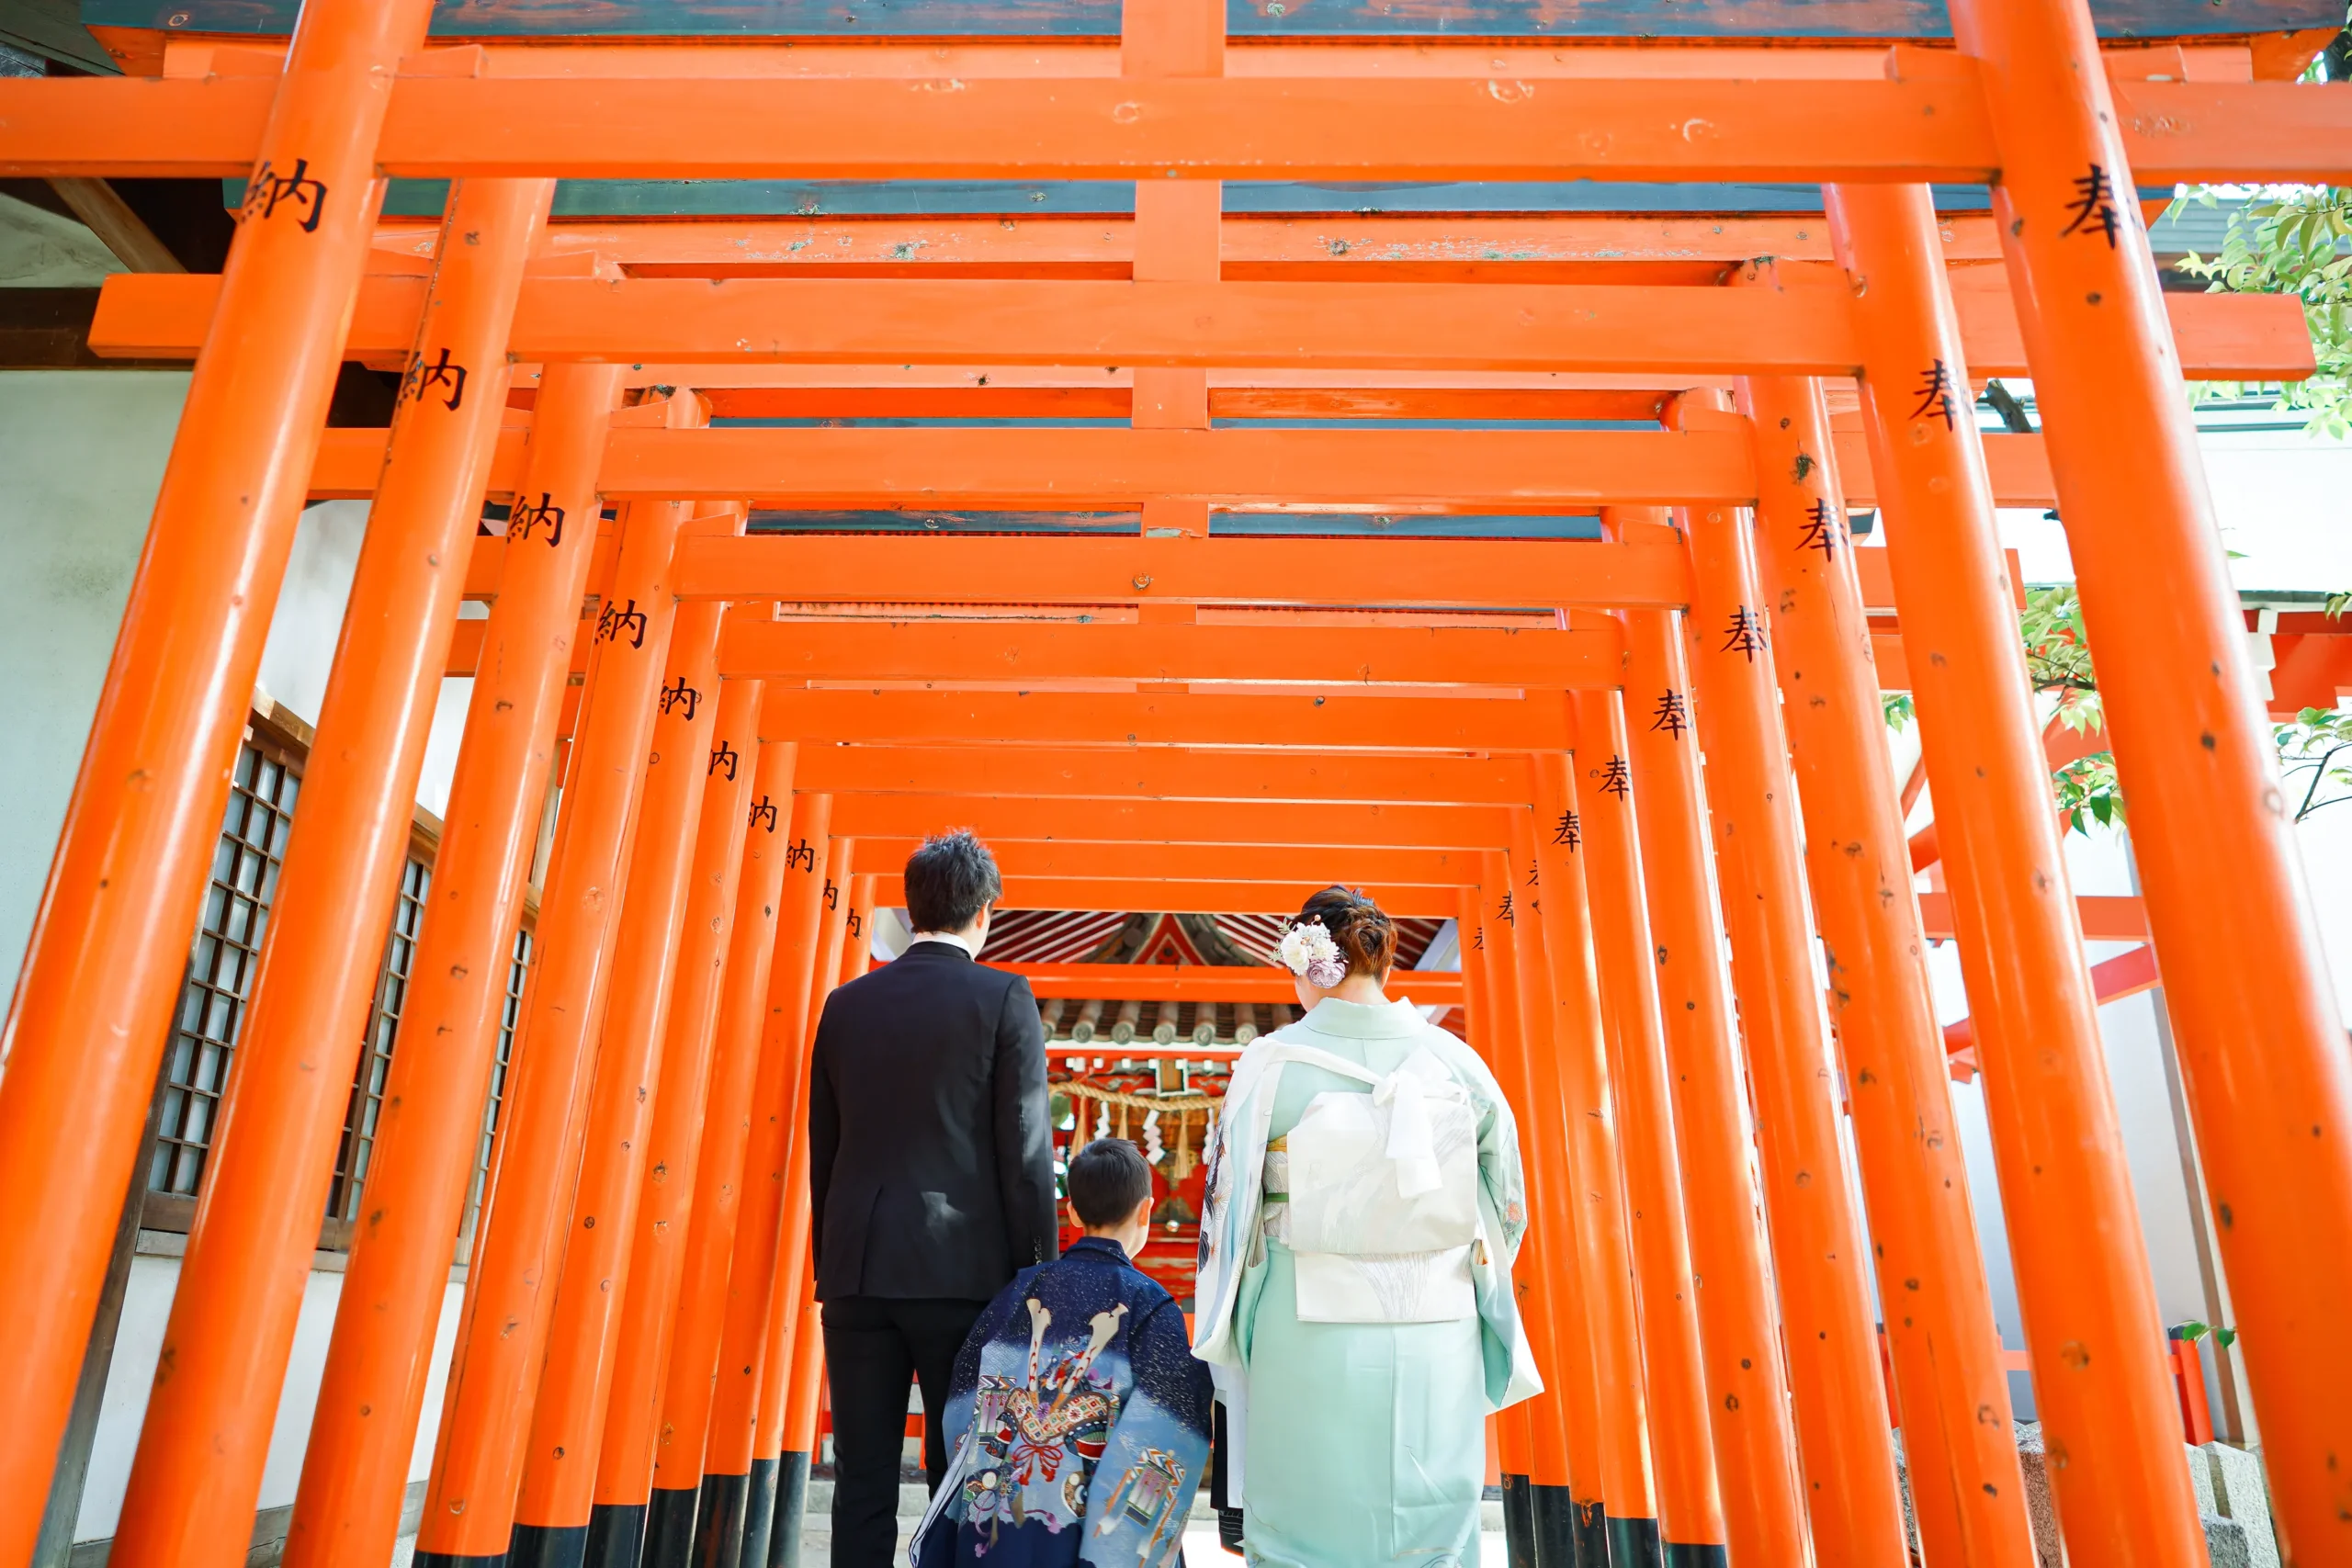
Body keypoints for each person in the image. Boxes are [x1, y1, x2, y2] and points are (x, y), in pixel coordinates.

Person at [1193, 886, 1542, 1568]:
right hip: (1437, 1322)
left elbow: (1229, 1215)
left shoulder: (1270, 1066)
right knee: (1428, 1517)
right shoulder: (1457, 1063)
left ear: (1307, 966)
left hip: (1306, 1320)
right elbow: (1506, 1205)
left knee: (1304, 1524)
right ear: (1386, 966)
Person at [808, 829, 1060, 1568]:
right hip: (962, 1275)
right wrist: (1036, 1274)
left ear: (912, 906)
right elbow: (1026, 1149)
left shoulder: (846, 1003)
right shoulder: (1003, 996)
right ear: (983, 912)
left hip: (858, 1271)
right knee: (962, 1474)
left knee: (862, 1473)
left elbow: (827, 1143)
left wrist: (836, 1253)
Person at [911, 1138, 1214, 1568]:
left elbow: (965, 1405)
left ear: (1071, 1211)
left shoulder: (1018, 1292)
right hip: (1089, 1536)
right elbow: (1168, 1434)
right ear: (1146, 1210)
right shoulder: (1152, 1305)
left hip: (1003, 1530)